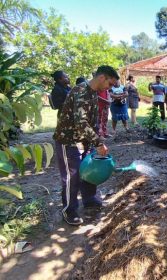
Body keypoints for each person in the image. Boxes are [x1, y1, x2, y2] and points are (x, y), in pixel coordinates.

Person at [53, 65, 119, 225]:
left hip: (84, 141)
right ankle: (69, 210)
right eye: (110, 84)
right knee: (72, 176)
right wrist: (98, 143)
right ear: (102, 77)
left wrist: (95, 140)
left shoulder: (93, 93)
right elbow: (81, 122)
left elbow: (92, 121)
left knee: (89, 170)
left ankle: (89, 199)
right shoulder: (81, 91)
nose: (109, 88)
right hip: (68, 141)